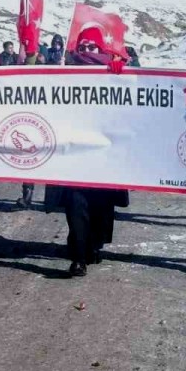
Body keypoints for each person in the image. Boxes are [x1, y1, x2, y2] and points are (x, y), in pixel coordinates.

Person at [44, 27, 129, 277]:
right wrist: (54, 75)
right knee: (76, 203)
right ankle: (78, 257)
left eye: (92, 48)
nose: (86, 52)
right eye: (82, 48)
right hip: (75, 155)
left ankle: (93, 244)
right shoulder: (67, 74)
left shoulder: (114, 74)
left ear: (101, 49)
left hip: (104, 155)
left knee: (101, 207)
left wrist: (120, 75)